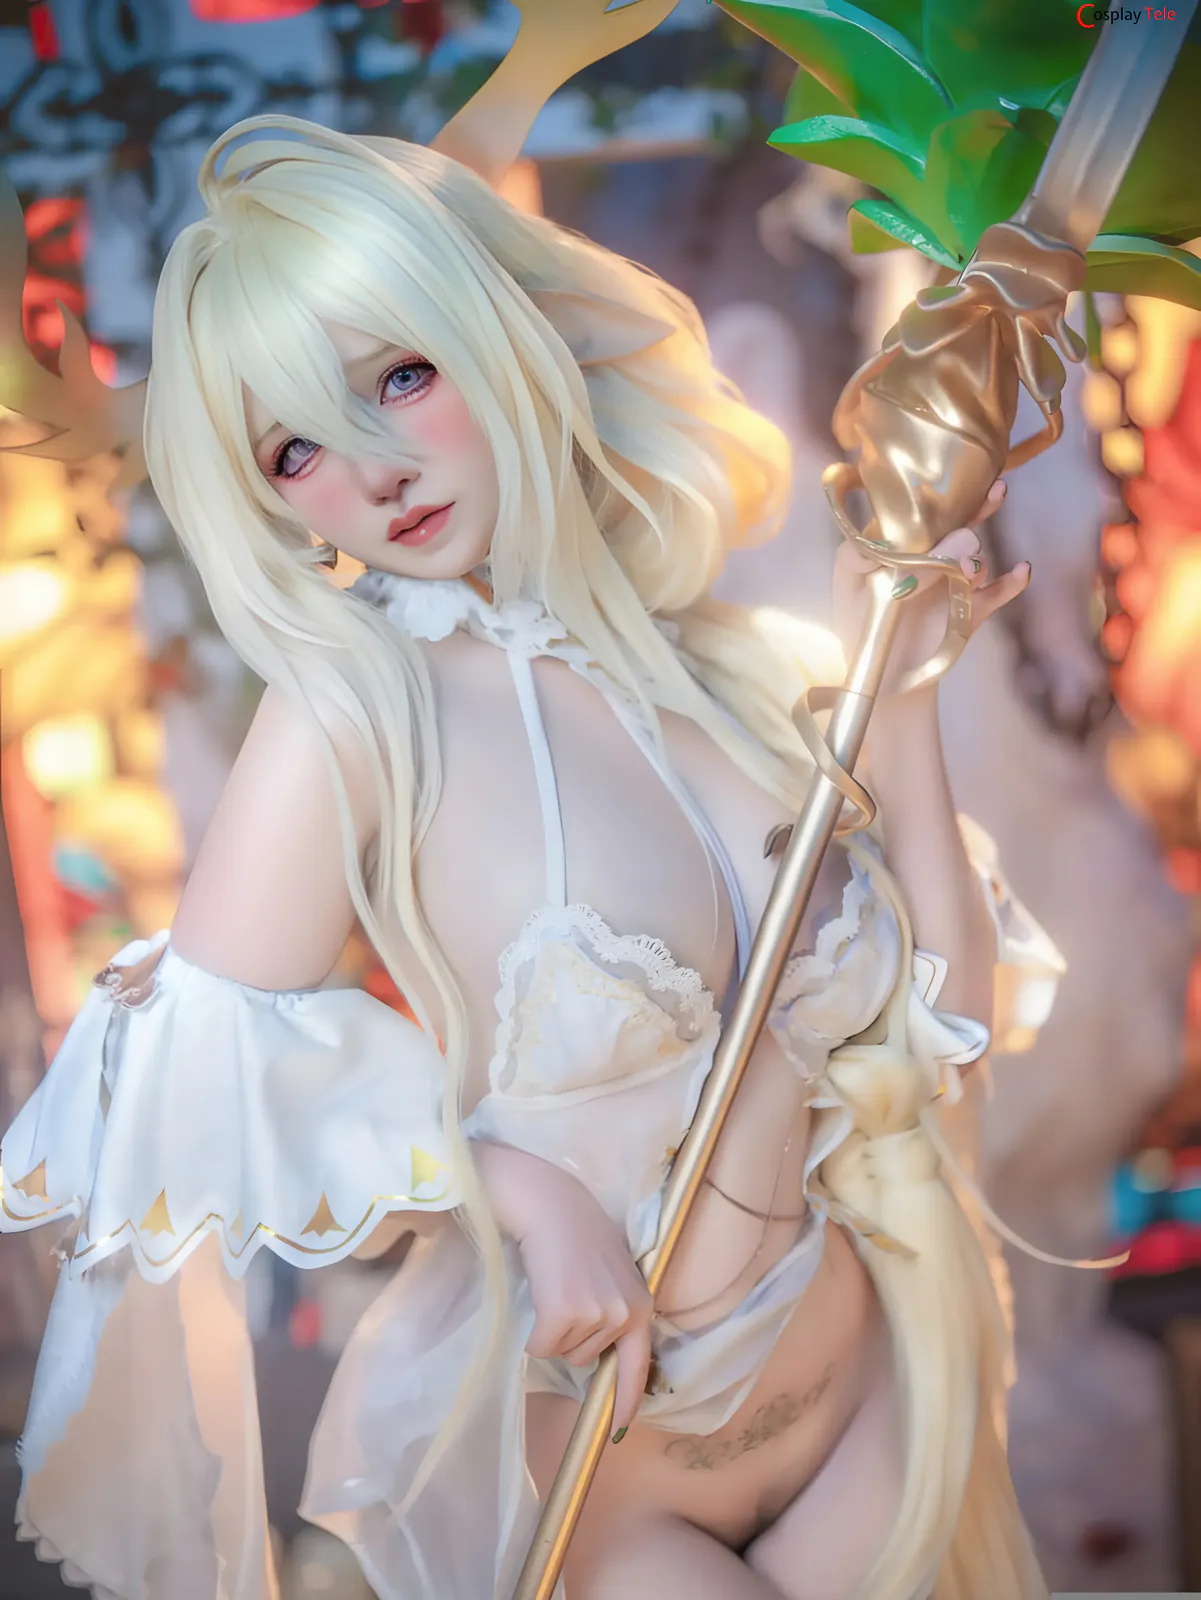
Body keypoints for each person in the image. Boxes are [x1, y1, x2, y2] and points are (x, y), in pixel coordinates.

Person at [0, 109, 1067, 1600]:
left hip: (875, 1400)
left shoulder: (725, 664)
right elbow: (190, 1082)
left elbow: (938, 1029)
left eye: (401, 376)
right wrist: (512, 1185)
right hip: (613, 1487)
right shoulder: (355, 713)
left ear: (491, 331)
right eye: (297, 449)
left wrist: (906, 705)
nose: (376, 470)